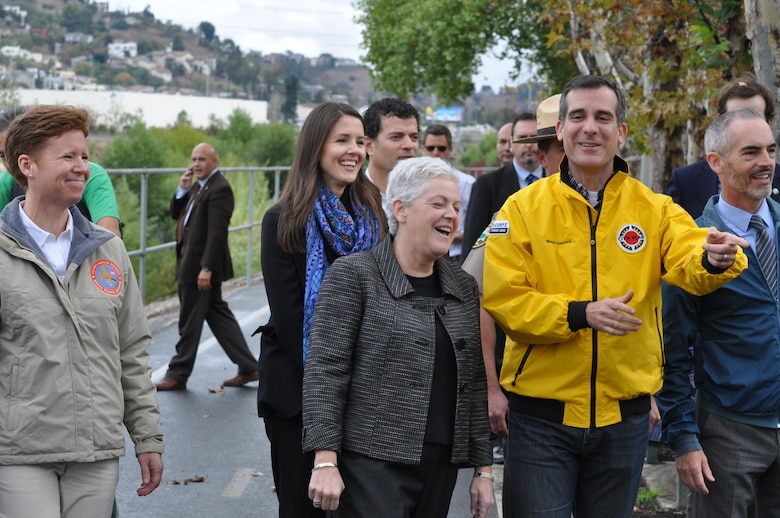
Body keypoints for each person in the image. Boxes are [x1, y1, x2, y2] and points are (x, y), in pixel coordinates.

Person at [482, 75, 749, 518]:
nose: (591, 128)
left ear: (621, 132)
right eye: (578, 117)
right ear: (561, 131)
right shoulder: (521, 209)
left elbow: (689, 255)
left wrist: (715, 259)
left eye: (603, 117)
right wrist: (580, 314)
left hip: (623, 423)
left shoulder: (655, 208)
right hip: (540, 420)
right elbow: (506, 301)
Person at [303, 156, 494, 518]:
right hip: (371, 463)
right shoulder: (354, 275)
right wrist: (325, 459)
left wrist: (483, 468)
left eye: (456, 206)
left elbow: (473, 381)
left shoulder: (463, 287)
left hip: (441, 463)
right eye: (438, 204)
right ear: (400, 209)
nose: (451, 215)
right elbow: (325, 371)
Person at [0, 105, 163, 516]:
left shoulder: (108, 250)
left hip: (96, 448)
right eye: (67, 156)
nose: (81, 167)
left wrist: (147, 438)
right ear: (27, 165)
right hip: (19, 451)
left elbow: (131, 352)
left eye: (85, 156)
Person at [257, 102, 385, 517]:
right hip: (297, 393)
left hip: (366, 396)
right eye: (341, 140)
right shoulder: (284, 219)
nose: (354, 151)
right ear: (315, 147)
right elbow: (293, 319)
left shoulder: (373, 214)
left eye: (360, 141)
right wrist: (338, 380)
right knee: (303, 509)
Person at [657, 108, 780, 517]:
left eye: (771, 149)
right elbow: (671, 353)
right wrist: (685, 440)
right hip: (729, 431)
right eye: (751, 152)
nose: (766, 162)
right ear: (716, 162)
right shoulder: (689, 250)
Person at [462, 93, 566, 518]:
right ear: (544, 154)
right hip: (534, 399)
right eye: (563, 144)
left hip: (611, 413)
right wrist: (490, 387)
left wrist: (645, 395)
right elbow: (481, 298)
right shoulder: (514, 211)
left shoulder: (634, 208)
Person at [155, 143, 258, 391]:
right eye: (194, 159)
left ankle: (178, 373)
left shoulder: (220, 189)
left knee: (189, 320)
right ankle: (249, 366)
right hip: (191, 262)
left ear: (215, 161)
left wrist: (207, 268)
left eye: (202, 159)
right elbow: (174, 213)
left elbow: (217, 233)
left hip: (199, 268)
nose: (197, 164)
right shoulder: (199, 187)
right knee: (218, 315)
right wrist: (182, 188)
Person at [667, 74, 780, 218]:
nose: (746, 124)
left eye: (754, 116)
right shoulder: (685, 181)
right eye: (735, 117)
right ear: (719, 121)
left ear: (769, 122)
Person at [0, 106, 123, 237]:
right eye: (3, 156)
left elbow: (109, 235)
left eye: (84, 157)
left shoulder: (93, 176)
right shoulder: (8, 180)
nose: (10, 162)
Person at [462, 112, 540, 255]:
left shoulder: (558, 179)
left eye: (534, 138)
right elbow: (472, 243)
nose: (528, 144)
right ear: (511, 142)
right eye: (522, 138)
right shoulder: (486, 186)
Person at [422, 123, 475, 262]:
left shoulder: (467, 183)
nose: (435, 153)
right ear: (423, 149)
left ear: (450, 149)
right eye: (430, 148)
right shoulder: (413, 184)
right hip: (422, 255)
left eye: (441, 148)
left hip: (456, 256)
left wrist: (454, 233)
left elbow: (477, 225)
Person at [363, 97, 420, 201]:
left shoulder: (427, 197)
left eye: (414, 137)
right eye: (396, 137)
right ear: (369, 145)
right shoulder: (345, 199)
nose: (409, 145)